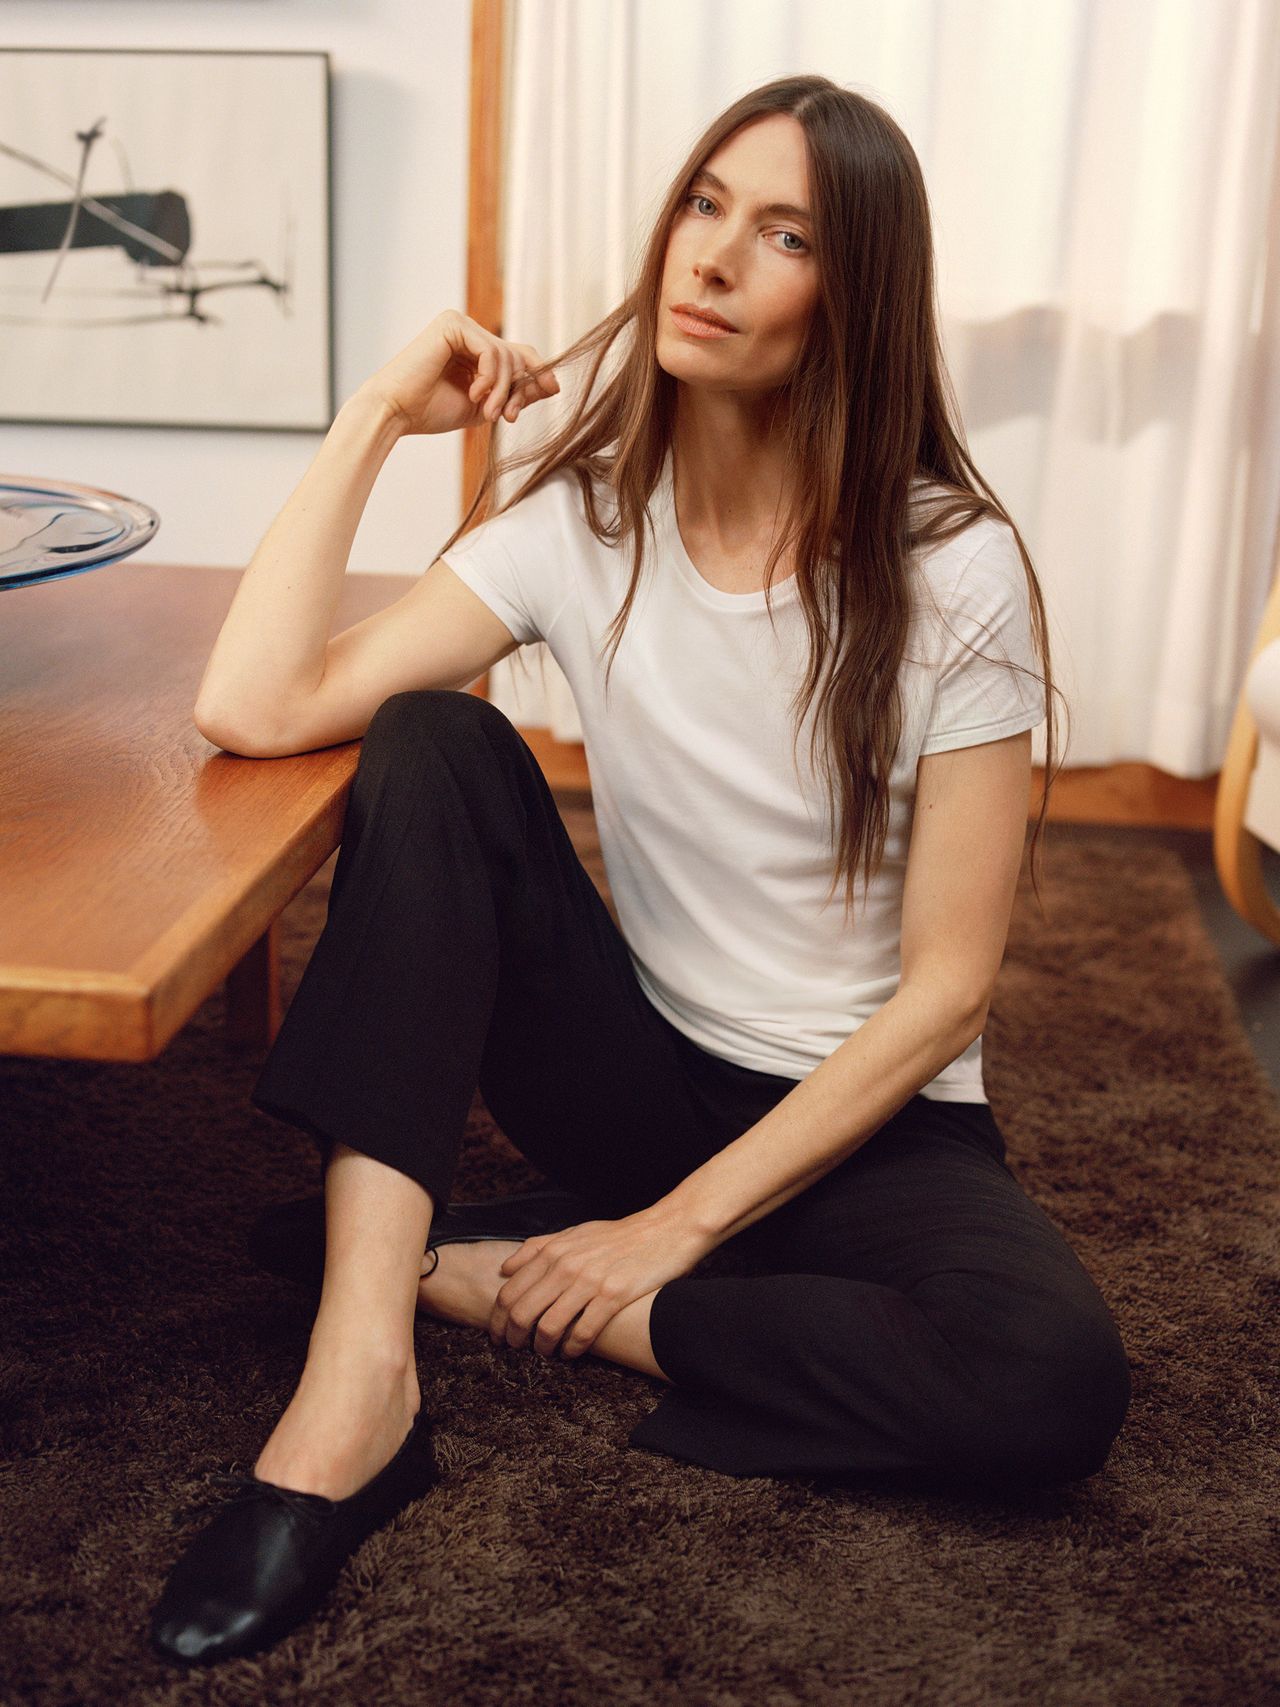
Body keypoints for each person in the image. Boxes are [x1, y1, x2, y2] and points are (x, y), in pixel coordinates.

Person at [150, 74, 1132, 1667]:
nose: (716, 258)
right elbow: (255, 706)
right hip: (635, 1068)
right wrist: (369, 424)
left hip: (870, 1119)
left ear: (853, 294)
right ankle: (358, 1374)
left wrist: (667, 1233)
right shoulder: (584, 518)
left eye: (785, 233)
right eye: (704, 205)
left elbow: (949, 991)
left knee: (1048, 1384)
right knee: (430, 744)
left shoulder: (952, 566)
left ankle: (480, 1282)